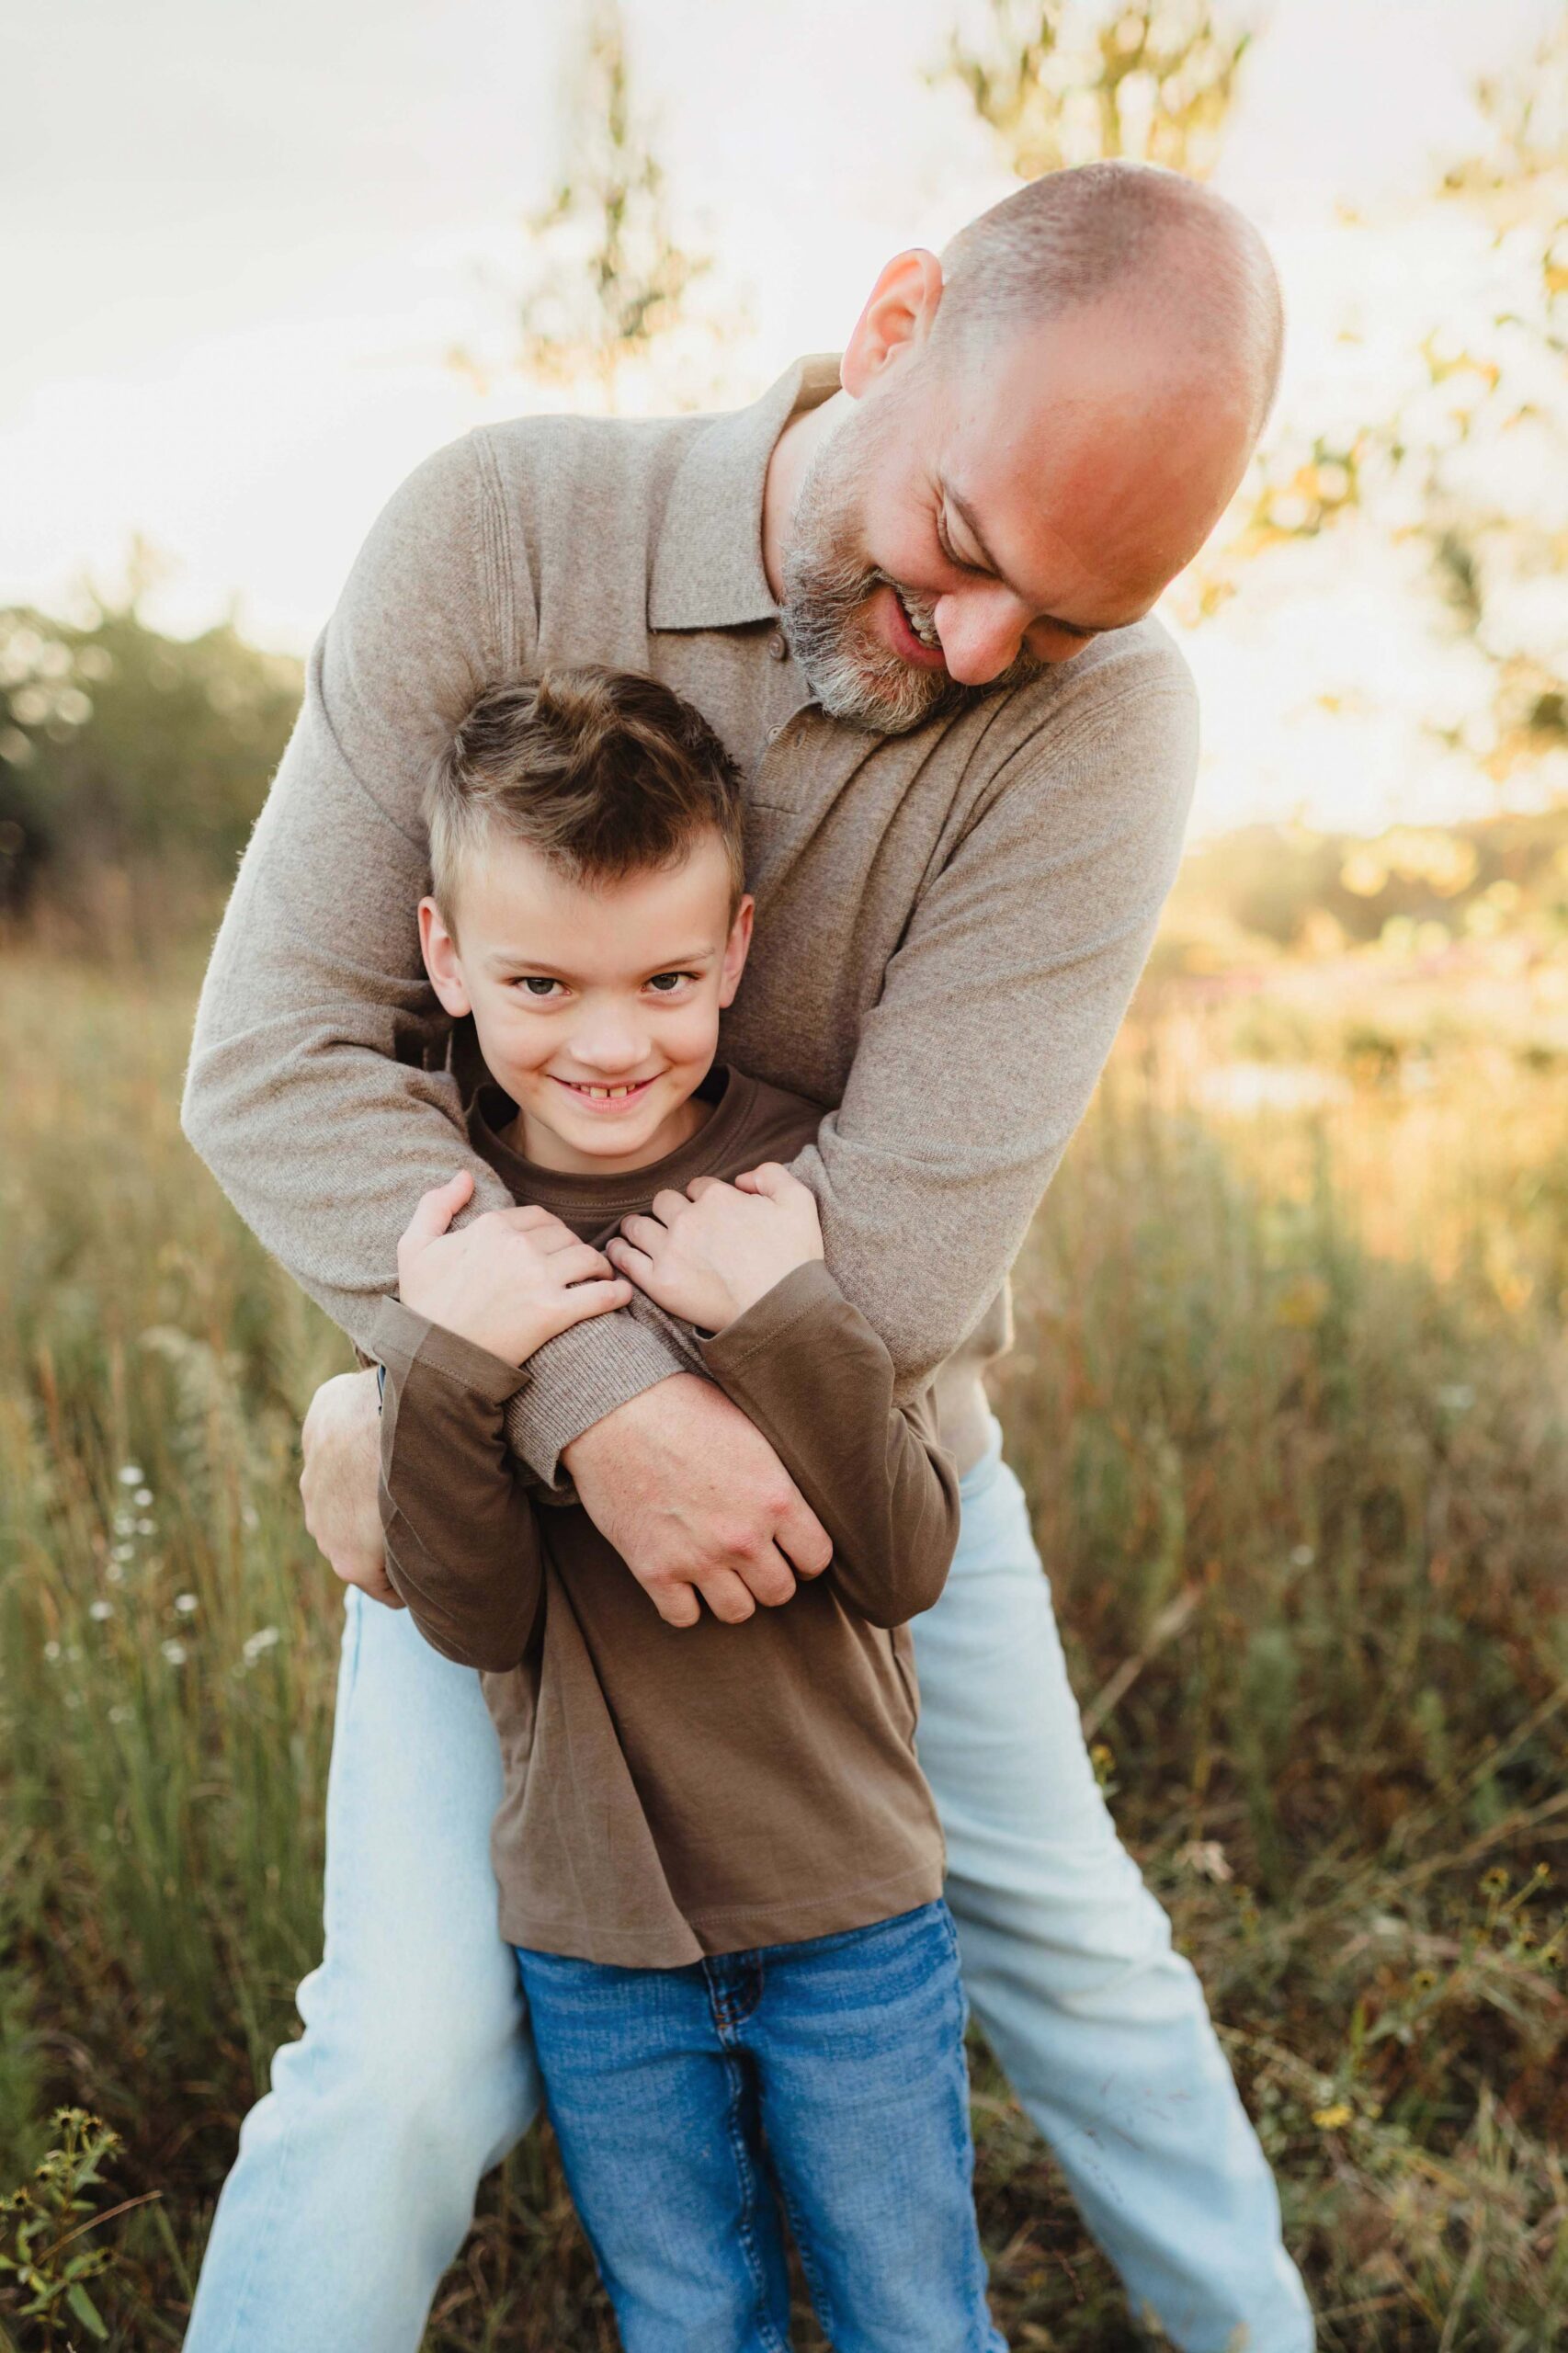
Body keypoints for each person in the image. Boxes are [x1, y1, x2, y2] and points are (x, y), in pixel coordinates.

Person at [180, 161, 1314, 2352]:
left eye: (1059, 622)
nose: (982, 649)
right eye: (968, 551)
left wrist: (602, 1400)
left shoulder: (1103, 722)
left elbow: (899, 1231)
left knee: (1076, 1950)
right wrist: (576, 1415)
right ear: (894, 325)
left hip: (863, 1476)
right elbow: (280, 1054)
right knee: (407, 2055)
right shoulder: (497, 531)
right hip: (491, 1465)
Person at [377, 660, 1003, 2350]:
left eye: (666, 976)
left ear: (735, 949)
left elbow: (906, 1558)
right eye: (536, 981)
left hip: (849, 1905)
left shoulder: (803, 1186)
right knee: (685, 2320)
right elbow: (471, 1617)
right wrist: (451, 1367)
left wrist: (789, 1317)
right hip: (598, 1937)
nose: (607, 1040)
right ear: (444, 956)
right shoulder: (445, 1226)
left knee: (909, 2318)